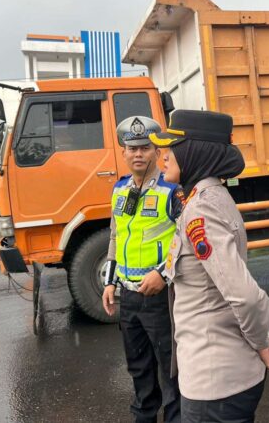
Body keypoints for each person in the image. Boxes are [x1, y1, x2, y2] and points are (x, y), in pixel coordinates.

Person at [149, 110, 269, 423]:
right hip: (225, 376)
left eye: (171, 147)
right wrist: (260, 339)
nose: (163, 156)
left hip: (215, 384)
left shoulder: (202, 210)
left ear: (195, 151)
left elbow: (247, 296)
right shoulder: (208, 196)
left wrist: (261, 340)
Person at [102, 116, 182, 423]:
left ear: (155, 152)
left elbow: (185, 239)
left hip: (160, 297)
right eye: (132, 148)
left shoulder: (172, 190)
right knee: (138, 368)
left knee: (170, 368)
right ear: (123, 152)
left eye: (145, 148)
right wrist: (109, 283)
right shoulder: (120, 190)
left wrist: (162, 274)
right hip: (129, 297)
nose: (138, 154)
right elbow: (115, 236)